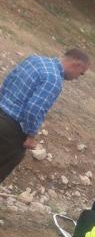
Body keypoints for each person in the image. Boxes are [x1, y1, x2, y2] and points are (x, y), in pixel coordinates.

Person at [0, 48, 89, 182]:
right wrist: (31, 136)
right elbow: (33, 109)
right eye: (81, 73)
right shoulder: (53, 80)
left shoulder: (34, 60)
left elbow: (9, 80)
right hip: (11, 131)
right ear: (76, 65)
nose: (77, 78)